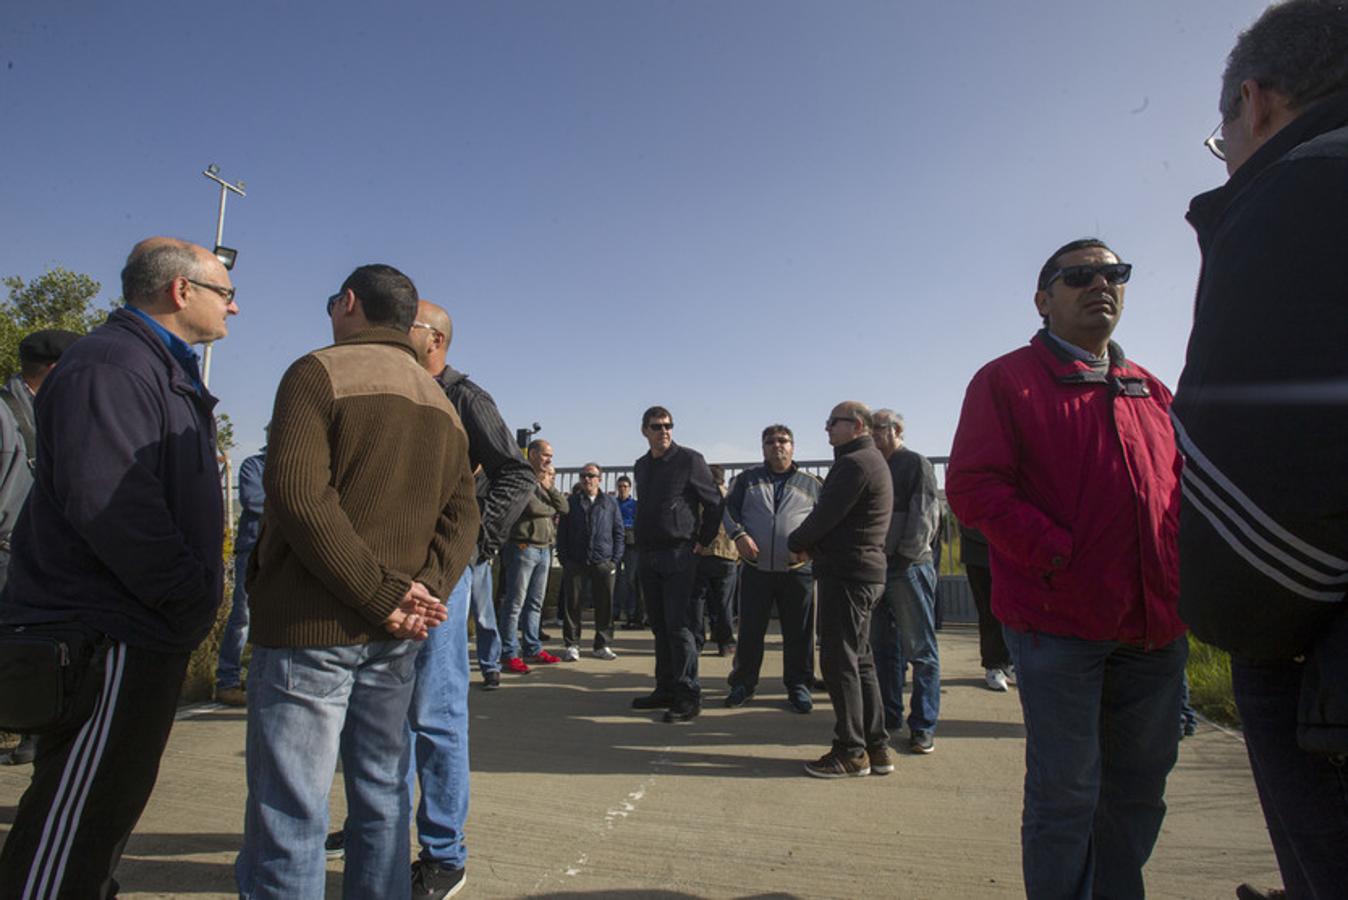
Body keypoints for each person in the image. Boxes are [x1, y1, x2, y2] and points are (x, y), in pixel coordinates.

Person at [947, 238, 1186, 899]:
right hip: (1058, 626)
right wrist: (1059, 554)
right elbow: (973, 487)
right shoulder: (1007, 381)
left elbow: (1185, 493)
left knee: (1139, 790)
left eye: (1114, 273)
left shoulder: (1151, 391)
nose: (1099, 284)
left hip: (1155, 629)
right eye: (1079, 275)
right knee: (1067, 792)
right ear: (1044, 299)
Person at [1171, 3, 1348, 896]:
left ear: (1256, 101)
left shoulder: (1303, 190)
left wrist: (1232, 621)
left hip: (1322, 673)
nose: (1228, 154)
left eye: (1222, 134)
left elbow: (1259, 478)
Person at [0, 237, 236, 897]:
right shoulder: (112, 364)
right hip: (111, 631)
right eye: (225, 292)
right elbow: (110, 505)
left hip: (136, 627)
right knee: (74, 822)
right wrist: (189, 597)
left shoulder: (150, 365)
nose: (235, 308)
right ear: (181, 291)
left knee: (104, 808)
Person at [236, 267, 477, 899]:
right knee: (382, 798)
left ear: (348, 304)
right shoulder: (441, 405)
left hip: (308, 628)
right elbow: (464, 517)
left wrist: (381, 593)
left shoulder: (318, 371)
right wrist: (422, 593)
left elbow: (293, 493)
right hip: (395, 638)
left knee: (291, 808)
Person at [788, 401, 893, 779]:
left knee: (839, 661)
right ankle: (876, 746)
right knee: (860, 660)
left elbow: (825, 517)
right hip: (862, 573)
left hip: (848, 576)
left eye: (834, 422)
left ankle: (851, 750)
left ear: (858, 426)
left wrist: (796, 542)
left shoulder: (854, 464)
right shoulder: (870, 460)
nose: (828, 428)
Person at [0, 329, 81, 766]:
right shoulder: (5, 414)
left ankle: (33, 736)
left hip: (30, 560)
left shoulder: (44, 414)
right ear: (54, 370)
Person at [630, 405, 723, 724]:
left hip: (680, 554)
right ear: (645, 431)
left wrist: (703, 541)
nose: (664, 431)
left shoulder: (690, 460)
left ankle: (687, 694)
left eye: (668, 425)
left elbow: (714, 504)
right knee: (658, 626)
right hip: (648, 554)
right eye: (656, 426)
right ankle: (665, 687)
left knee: (680, 626)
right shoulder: (641, 466)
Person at [722, 423, 822, 713]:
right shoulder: (746, 480)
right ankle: (743, 683)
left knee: (800, 632)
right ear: (762, 447)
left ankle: (799, 685)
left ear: (793, 446)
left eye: (783, 440)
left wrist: (811, 547)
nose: (777, 445)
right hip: (756, 569)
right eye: (770, 441)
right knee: (751, 630)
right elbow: (728, 511)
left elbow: (826, 518)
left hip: (798, 570)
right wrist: (738, 536)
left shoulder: (811, 483)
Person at [869, 409, 942, 755]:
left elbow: (925, 517)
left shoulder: (916, 465)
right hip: (876, 569)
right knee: (884, 649)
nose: (871, 435)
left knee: (921, 650)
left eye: (878, 429)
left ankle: (923, 724)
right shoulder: (871, 465)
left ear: (896, 430)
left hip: (908, 569)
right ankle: (889, 715)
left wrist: (902, 557)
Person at [499, 443, 568, 672]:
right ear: (534, 454)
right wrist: (550, 504)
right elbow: (532, 507)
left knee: (535, 603)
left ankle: (533, 647)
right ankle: (509, 652)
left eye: (551, 456)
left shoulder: (545, 481)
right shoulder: (522, 476)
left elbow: (564, 507)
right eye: (546, 455)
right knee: (515, 603)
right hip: (523, 546)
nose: (549, 460)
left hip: (544, 548)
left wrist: (549, 487)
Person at [214, 440, 265, 707]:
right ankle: (227, 681)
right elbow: (253, 500)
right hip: (252, 548)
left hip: (279, 551)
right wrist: (293, 497)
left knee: (272, 617)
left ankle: (261, 680)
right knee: (243, 615)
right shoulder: (254, 466)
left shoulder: (291, 464)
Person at [556, 462, 624, 661]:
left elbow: (618, 532)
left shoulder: (610, 503)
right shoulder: (572, 503)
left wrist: (614, 560)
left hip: (603, 561)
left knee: (605, 605)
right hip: (576, 562)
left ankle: (602, 644)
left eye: (591, 475)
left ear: (599, 479)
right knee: (573, 604)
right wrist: (564, 559)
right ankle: (572, 644)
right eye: (583, 475)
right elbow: (562, 534)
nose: (587, 479)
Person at [959, 524, 1013, 692]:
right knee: (989, 611)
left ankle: (1009, 661)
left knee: (1012, 611)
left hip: (1009, 547)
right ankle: (993, 664)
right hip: (979, 549)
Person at [694, 464, 740, 657]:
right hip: (727, 554)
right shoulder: (733, 497)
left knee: (698, 600)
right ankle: (725, 642)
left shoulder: (699, 497)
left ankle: (696, 641)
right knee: (724, 602)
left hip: (701, 553)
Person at [613, 475, 643, 627]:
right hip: (615, 543)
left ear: (629, 488)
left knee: (631, 579)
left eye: (625, 486)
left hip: (632, 544)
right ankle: (614, 611)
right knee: (614, 579)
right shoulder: (613, 504)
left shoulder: (635, 505)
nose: (622, 489)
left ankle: (631, 612)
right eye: (620, 486)